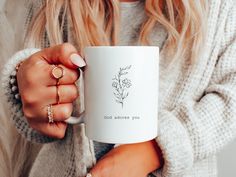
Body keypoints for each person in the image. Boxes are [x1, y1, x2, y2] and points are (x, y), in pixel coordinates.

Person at [0, 0, 236, 176]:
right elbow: (39, 123)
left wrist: (156, 149)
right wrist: (23, 85)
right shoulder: (50, 4)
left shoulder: (219, 8)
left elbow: (231, 94)